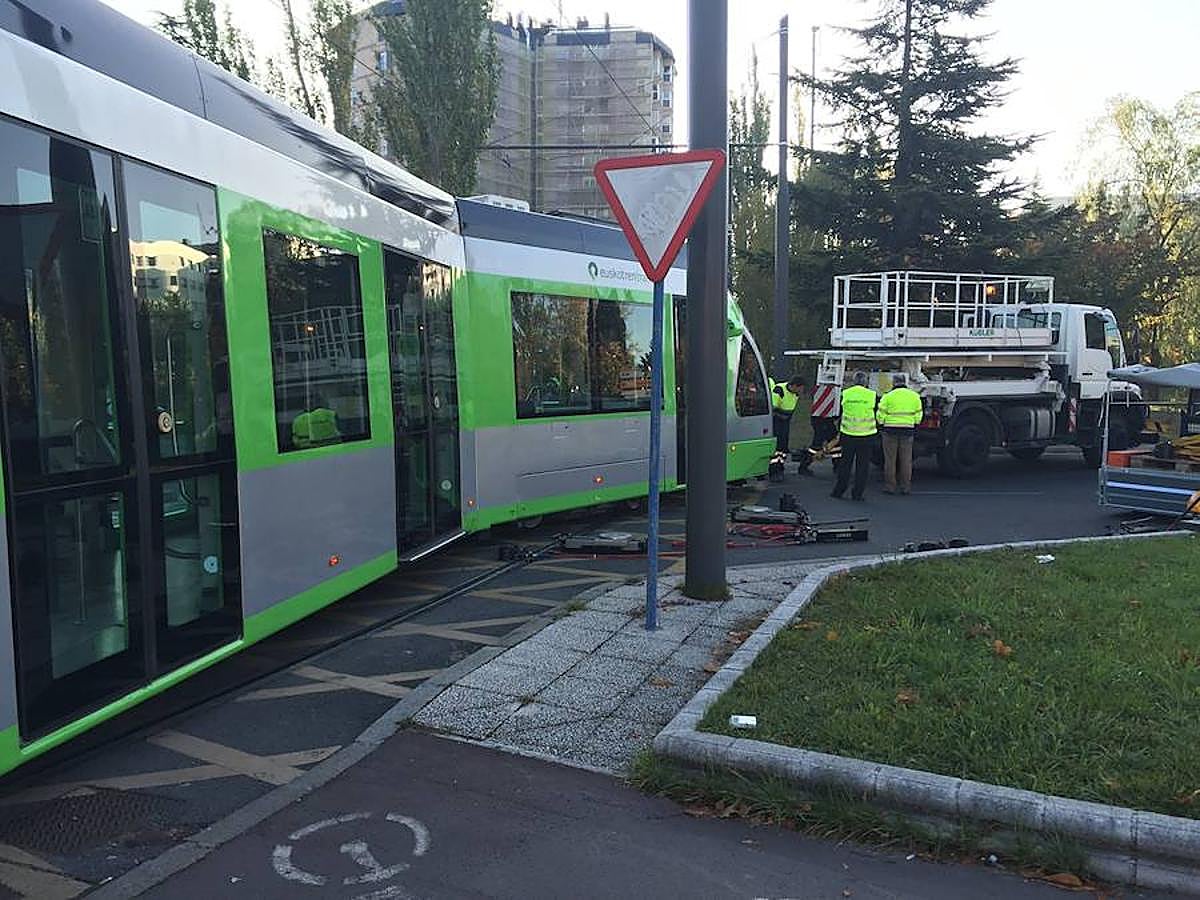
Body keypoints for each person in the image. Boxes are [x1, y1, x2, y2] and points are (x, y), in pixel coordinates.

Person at [830, 371, 877, 501]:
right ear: (865, 382)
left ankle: (839, 490)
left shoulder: (846, 393)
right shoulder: (871, 395)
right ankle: (857, 494)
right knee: (862, 467)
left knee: (845, 464)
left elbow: (838, 412)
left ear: (854, 381)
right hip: (866, 435)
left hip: (848, 434)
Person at [876, 373, 924, 495]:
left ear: (893, 383)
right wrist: (914, 423)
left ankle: (890, 486)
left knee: (890, 460)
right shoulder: (914, 396)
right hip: (907, 430)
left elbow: (880, 414)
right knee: (906, 460)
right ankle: (905, 487)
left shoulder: (887, 396)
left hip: (890, 430)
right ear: (905, 382)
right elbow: (918, 414)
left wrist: (882, 423)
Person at [770, 375, 806, 463]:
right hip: (776, 419)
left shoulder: (796, 393)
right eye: (800, 388)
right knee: (778, 442)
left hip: (786, 420)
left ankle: (781, 462)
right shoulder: (779, 389)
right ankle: (775, 465)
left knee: (784, 442)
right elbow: (773, 407)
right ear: (794, 386)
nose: (801, 391)